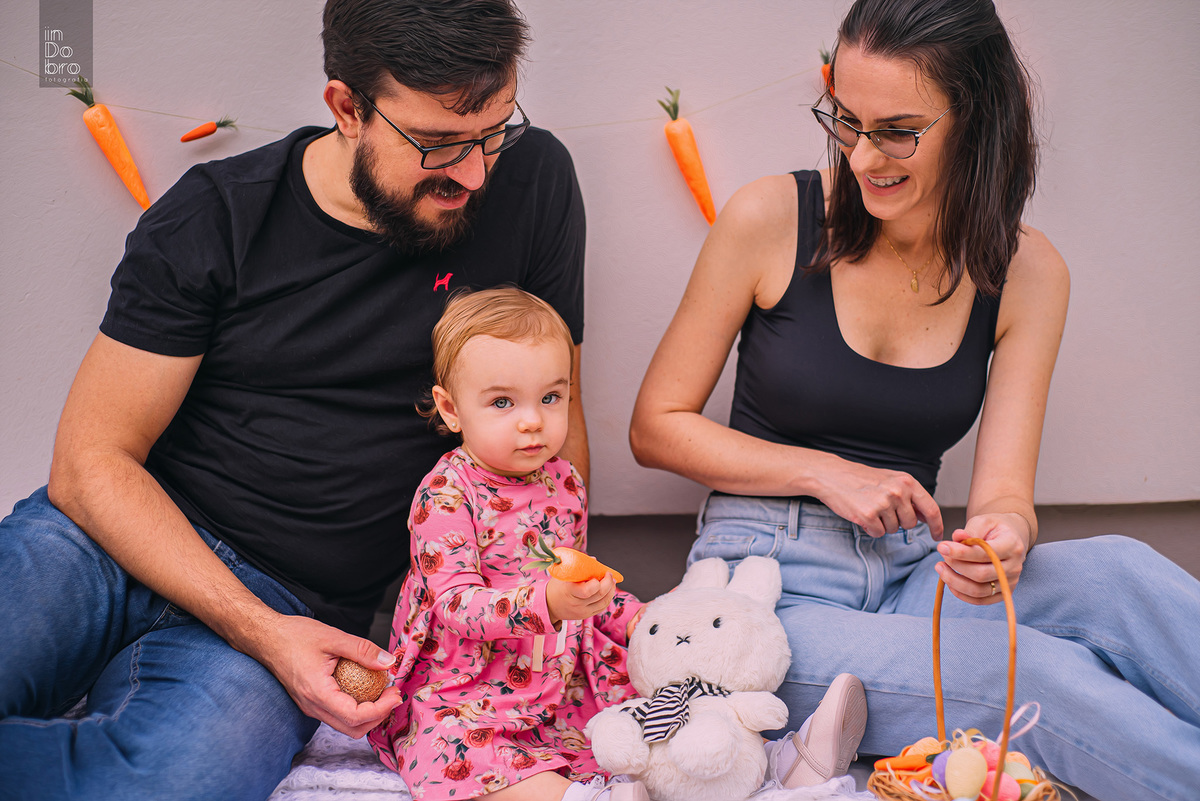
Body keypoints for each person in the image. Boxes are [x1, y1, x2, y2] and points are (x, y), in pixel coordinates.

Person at [0, 2, 590, 799]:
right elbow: (90, 463)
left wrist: (556, 609)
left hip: (294, 601)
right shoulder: (219, 212)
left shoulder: (534, 180)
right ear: (347, 108)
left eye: (493, 132)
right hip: (101, 546)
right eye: (438, 144)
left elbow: (552, 426)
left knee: (170, 782)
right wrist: (258, 629)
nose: (475, 172)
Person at [628, 1, 1200, 800]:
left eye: (897, 131)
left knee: (1121, 574)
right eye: (845, 120)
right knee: (1036, 674)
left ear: (977, 121)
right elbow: (655, 426)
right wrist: (827, 472)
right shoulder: (772, 218)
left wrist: (1003, 536)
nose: (863, 156)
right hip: (764, 603)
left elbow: (1004, 496)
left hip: (916, 577)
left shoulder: (1027, 272)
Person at [366, 288, 648, 801]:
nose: (533, 420)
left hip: (556, 679)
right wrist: (547, 603)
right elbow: (455, 605)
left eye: (551, 397)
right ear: (451, 409)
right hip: (464, 688)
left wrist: (633, 616)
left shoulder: (565, 483)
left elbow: (578, 581)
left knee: (636, 710)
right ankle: (573, 798)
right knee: (452, 752)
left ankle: (714, 757)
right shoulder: (448, 492)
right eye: (502, 402)